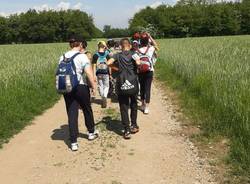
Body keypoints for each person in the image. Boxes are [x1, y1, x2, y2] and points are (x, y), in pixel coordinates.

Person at [59, 36, 98, 151]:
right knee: (86, 109)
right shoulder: (82, 56)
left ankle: (74, 142)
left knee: (72, 113)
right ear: (80, 44)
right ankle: (91, 132)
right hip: (80, 86)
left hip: (67, 87)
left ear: (70, 44)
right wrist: (93, 87)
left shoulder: (62, 56)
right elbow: (89, 73)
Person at [107, 38, 141, 139]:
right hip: (133, 82)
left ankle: (126, 130)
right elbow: (138, 63)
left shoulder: (117, 55)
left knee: (123, 106)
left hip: (121, 82)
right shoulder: (133, 54)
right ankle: (134, 125)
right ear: (129, 45)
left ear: (121, 46)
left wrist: (117, 68)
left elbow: (108, 63)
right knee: (134, 104)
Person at [133, 32, 159, 114]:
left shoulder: (137, 51)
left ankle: (143, 104)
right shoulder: (151, 49)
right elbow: (157, 47)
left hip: (140, 72)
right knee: (148, 89)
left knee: (142, 88)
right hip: (149, 71)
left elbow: (136, 62)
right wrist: (150, 36)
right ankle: (147, 108)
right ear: (147, 41)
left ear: (140, 41)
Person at [92, 41, 111, 108]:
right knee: (106, 86)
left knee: (100, 85)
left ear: (98, 46)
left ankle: (102, 96)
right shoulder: (107, 55)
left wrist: (94, 75)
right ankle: (105, 96)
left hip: (98, 73)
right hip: (106, 73)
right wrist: (110, 74)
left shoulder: (95, 55)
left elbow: (94, 66)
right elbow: (109, 66)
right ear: (104, 46)